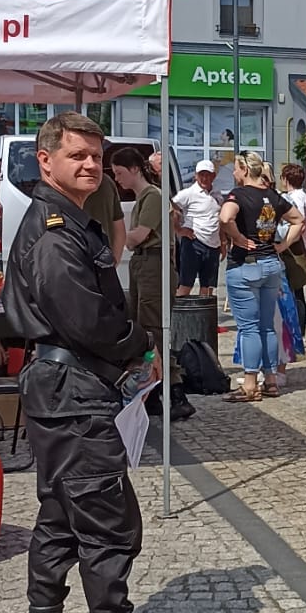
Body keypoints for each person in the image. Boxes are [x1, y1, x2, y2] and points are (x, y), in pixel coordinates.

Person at [3, 112, 193, 613]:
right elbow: (85, 317)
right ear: (46, 161)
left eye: (96, 156)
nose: (90, 165)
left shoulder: (68, 220)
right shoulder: (55, 231)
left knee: (61, 516)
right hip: (72, 390)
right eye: (77, 156)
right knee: (107, 523)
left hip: (65, 387)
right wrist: (141, 345)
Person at [110, 145, 191, 420]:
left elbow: (138, 236)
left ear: (135, 169)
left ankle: (174, 393)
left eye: (119, 172)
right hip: (145, 263)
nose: (117, 179)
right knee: (144, 327)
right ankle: (156, 392)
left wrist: (117, 235)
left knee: (154, 329)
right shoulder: (145, 197)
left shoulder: (153, 196)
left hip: (154, 264)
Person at [220, 150, 304, 401]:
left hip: (246, 265)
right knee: (267, 327)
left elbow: (225, 217)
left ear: (245, 170)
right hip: (271, 264)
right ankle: (271, 381)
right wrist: (282, 245)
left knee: (249, 328)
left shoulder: (239, 195)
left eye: (236, 168)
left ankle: (249, 384)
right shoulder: (273, 195)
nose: (234, 173)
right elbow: (298, 220)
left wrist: (237, 237)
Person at [173, 159, 223, 295]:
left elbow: (220, 219)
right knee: (186, 285)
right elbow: (171, 207)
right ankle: (179, 309)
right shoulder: (188, 193)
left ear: (214, 176)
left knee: (208, 288)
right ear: (196, 176)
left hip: (213, 245)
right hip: (194, 242)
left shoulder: (217, 194)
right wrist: (179, 229)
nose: (204, 178)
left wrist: (223, 242)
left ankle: (204, 310)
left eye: (208, 175)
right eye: (201, 175)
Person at [279, 161, 306, 335]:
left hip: (294, 248)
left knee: (295, 292)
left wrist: (284, 242)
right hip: (301, 245)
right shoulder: (304, 196)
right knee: (296, 292)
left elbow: (298, 222)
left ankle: (298, 331)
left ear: (286, 179)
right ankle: (297, 331)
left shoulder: (296, 198)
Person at [83, 168, 126, 264]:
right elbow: (120, 232)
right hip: (103, 261)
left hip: (74, 262)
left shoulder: (63, 183)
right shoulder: (106, 181)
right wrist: (112, 265)